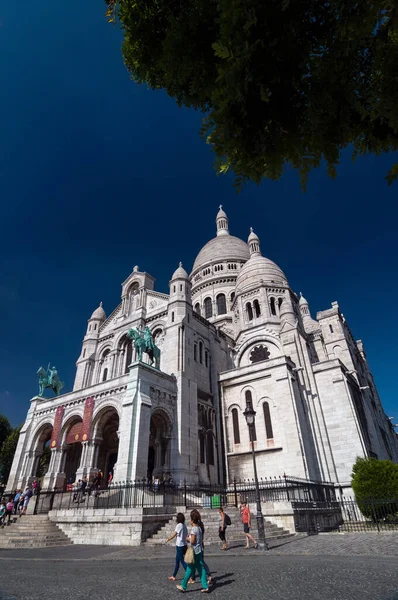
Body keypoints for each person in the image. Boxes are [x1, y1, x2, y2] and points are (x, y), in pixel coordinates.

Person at [176, 510, 209, 593]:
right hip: (199, 550)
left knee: (190, 569)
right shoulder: (199, 528)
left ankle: (183, 586)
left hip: (194, 551)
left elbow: (193, 541)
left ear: (192, 520)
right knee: (201, 568)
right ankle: (205, 586)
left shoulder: (194, 529)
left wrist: (187, 538)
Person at [187, 509, 211, 585]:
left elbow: (193, 540)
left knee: (198, 564)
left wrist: (188, 538)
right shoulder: (200, 525)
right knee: (199, 563)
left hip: (196, 548)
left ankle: (191, 580)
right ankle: (195, 578)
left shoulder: (195, 527)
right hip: (200, 545)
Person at [165, 512, 188, 581]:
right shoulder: (184, 525)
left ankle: (190, 575)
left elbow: (174, 534)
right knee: (177, 561)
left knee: (182, 562)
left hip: (180, 546)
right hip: (184, 545)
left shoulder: (179, 525)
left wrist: (168, 539)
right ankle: (174, 575)